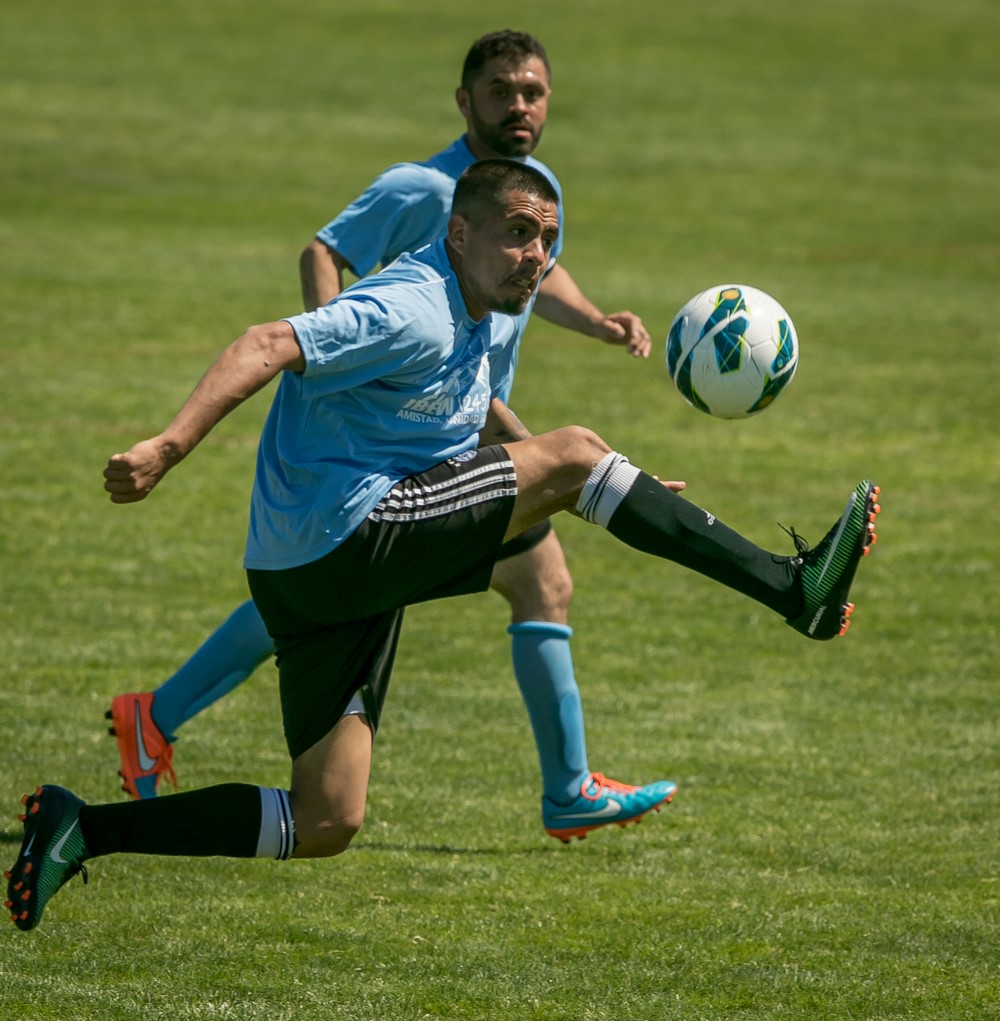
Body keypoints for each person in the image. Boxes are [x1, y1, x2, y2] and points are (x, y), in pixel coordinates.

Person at [6, 159, 880, 931]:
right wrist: (168, 446)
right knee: (575, 456)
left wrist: (618, 486)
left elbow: (479, 415)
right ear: (460, 233)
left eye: (548, 240)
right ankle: (790, 588)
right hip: (348, 533)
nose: (536, 254)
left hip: (302, 575)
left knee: (327, 819)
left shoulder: (479, 313)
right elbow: (269, 341)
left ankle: (84, 828)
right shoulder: (412, 305)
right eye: (518, 233)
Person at [105, 29, 678, 844]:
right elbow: (324, 251)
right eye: (501, 91)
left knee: (527, 581)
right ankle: (568, 790)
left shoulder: (533, 191)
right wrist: (332, 366)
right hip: (403, 440)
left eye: (532, 91)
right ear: (465, 101)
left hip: (464, 424)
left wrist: (594, 320)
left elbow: (541, 272)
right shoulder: (423, 189)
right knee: (495, 580)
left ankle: (155, 715)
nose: (519, 105)